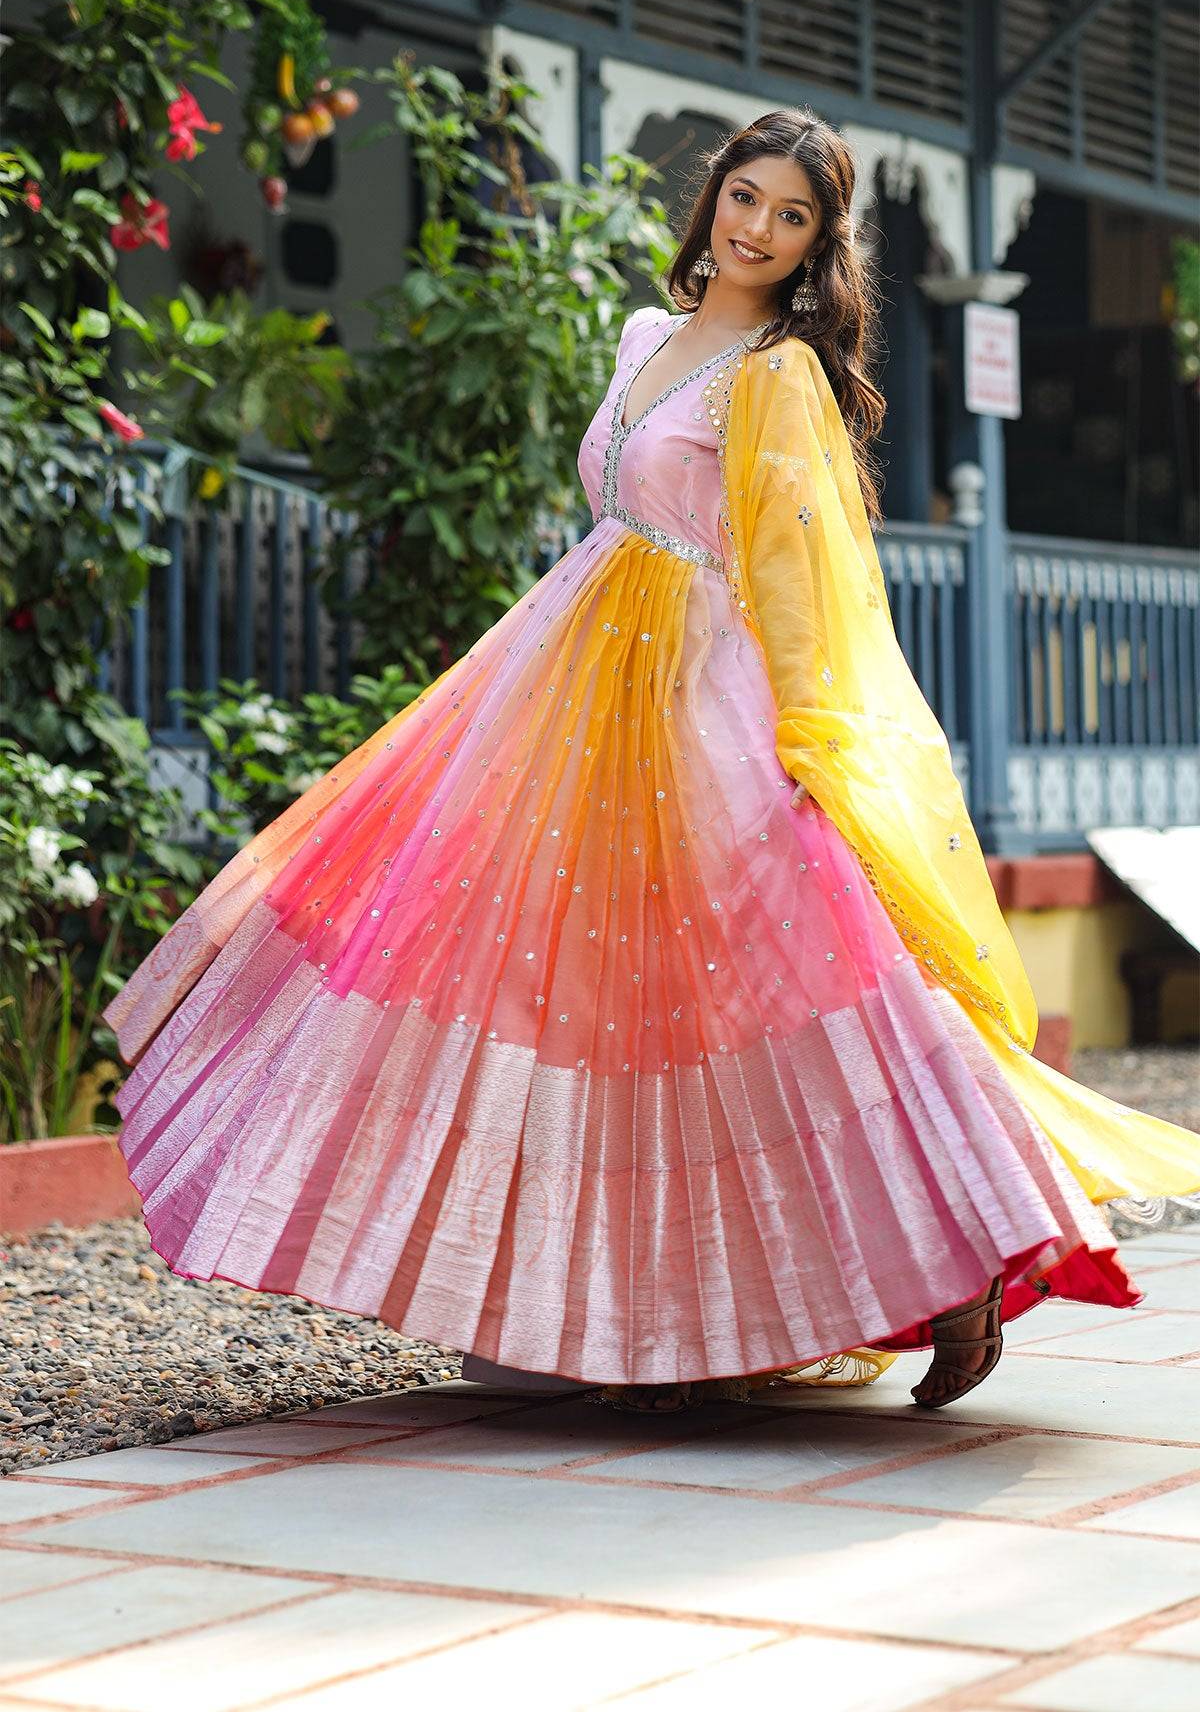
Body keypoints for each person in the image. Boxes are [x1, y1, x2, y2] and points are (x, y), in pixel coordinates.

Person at [103, 108, 1200, 1420]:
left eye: (793, 217)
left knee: (784, 985)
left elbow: (807, 581)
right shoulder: (643, 338)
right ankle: (622, 1318)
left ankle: (956, 1266)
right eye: (746, 197)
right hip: (573, 699)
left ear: (816, 246)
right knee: (580, 999)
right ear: (713, 197)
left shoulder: (781, 374)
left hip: (707, 702)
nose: (758, 228)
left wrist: (808, 743)